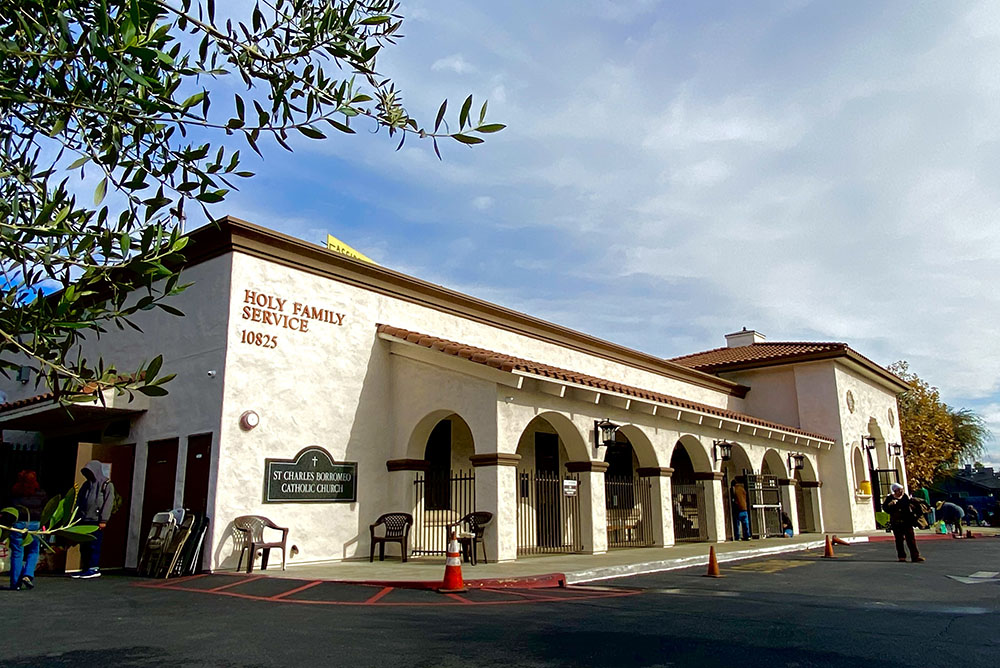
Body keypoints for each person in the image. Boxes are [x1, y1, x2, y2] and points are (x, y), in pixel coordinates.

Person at [73, 460, 115, 579]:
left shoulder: (106, 484)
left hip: (96, 520)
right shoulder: (86, 485)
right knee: (84, 545)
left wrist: (104, 520)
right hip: (84, 519)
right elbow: (80, 500)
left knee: (94, 544)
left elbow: (108, 503)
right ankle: (85, 567)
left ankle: (93, 568)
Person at [8, 470, 47, 590]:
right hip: (35, 523)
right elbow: (46, 509)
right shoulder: (41, 494)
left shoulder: (15, 493)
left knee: (17, 552)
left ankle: (16, 583)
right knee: (34, 550)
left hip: (18, 523)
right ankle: (28, 574)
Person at [882, 482, 925, 562]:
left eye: (902, 490)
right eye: (899, 490)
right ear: (895, 491)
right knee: (899, 540)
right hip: (896, 522)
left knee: (911, 539)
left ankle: (915, 556)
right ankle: (901, 556)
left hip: (907, 521)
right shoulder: (890, 498)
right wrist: (890, 505)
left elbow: (910, 507)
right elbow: (885, 509)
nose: (901, 491)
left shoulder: (905, 497)